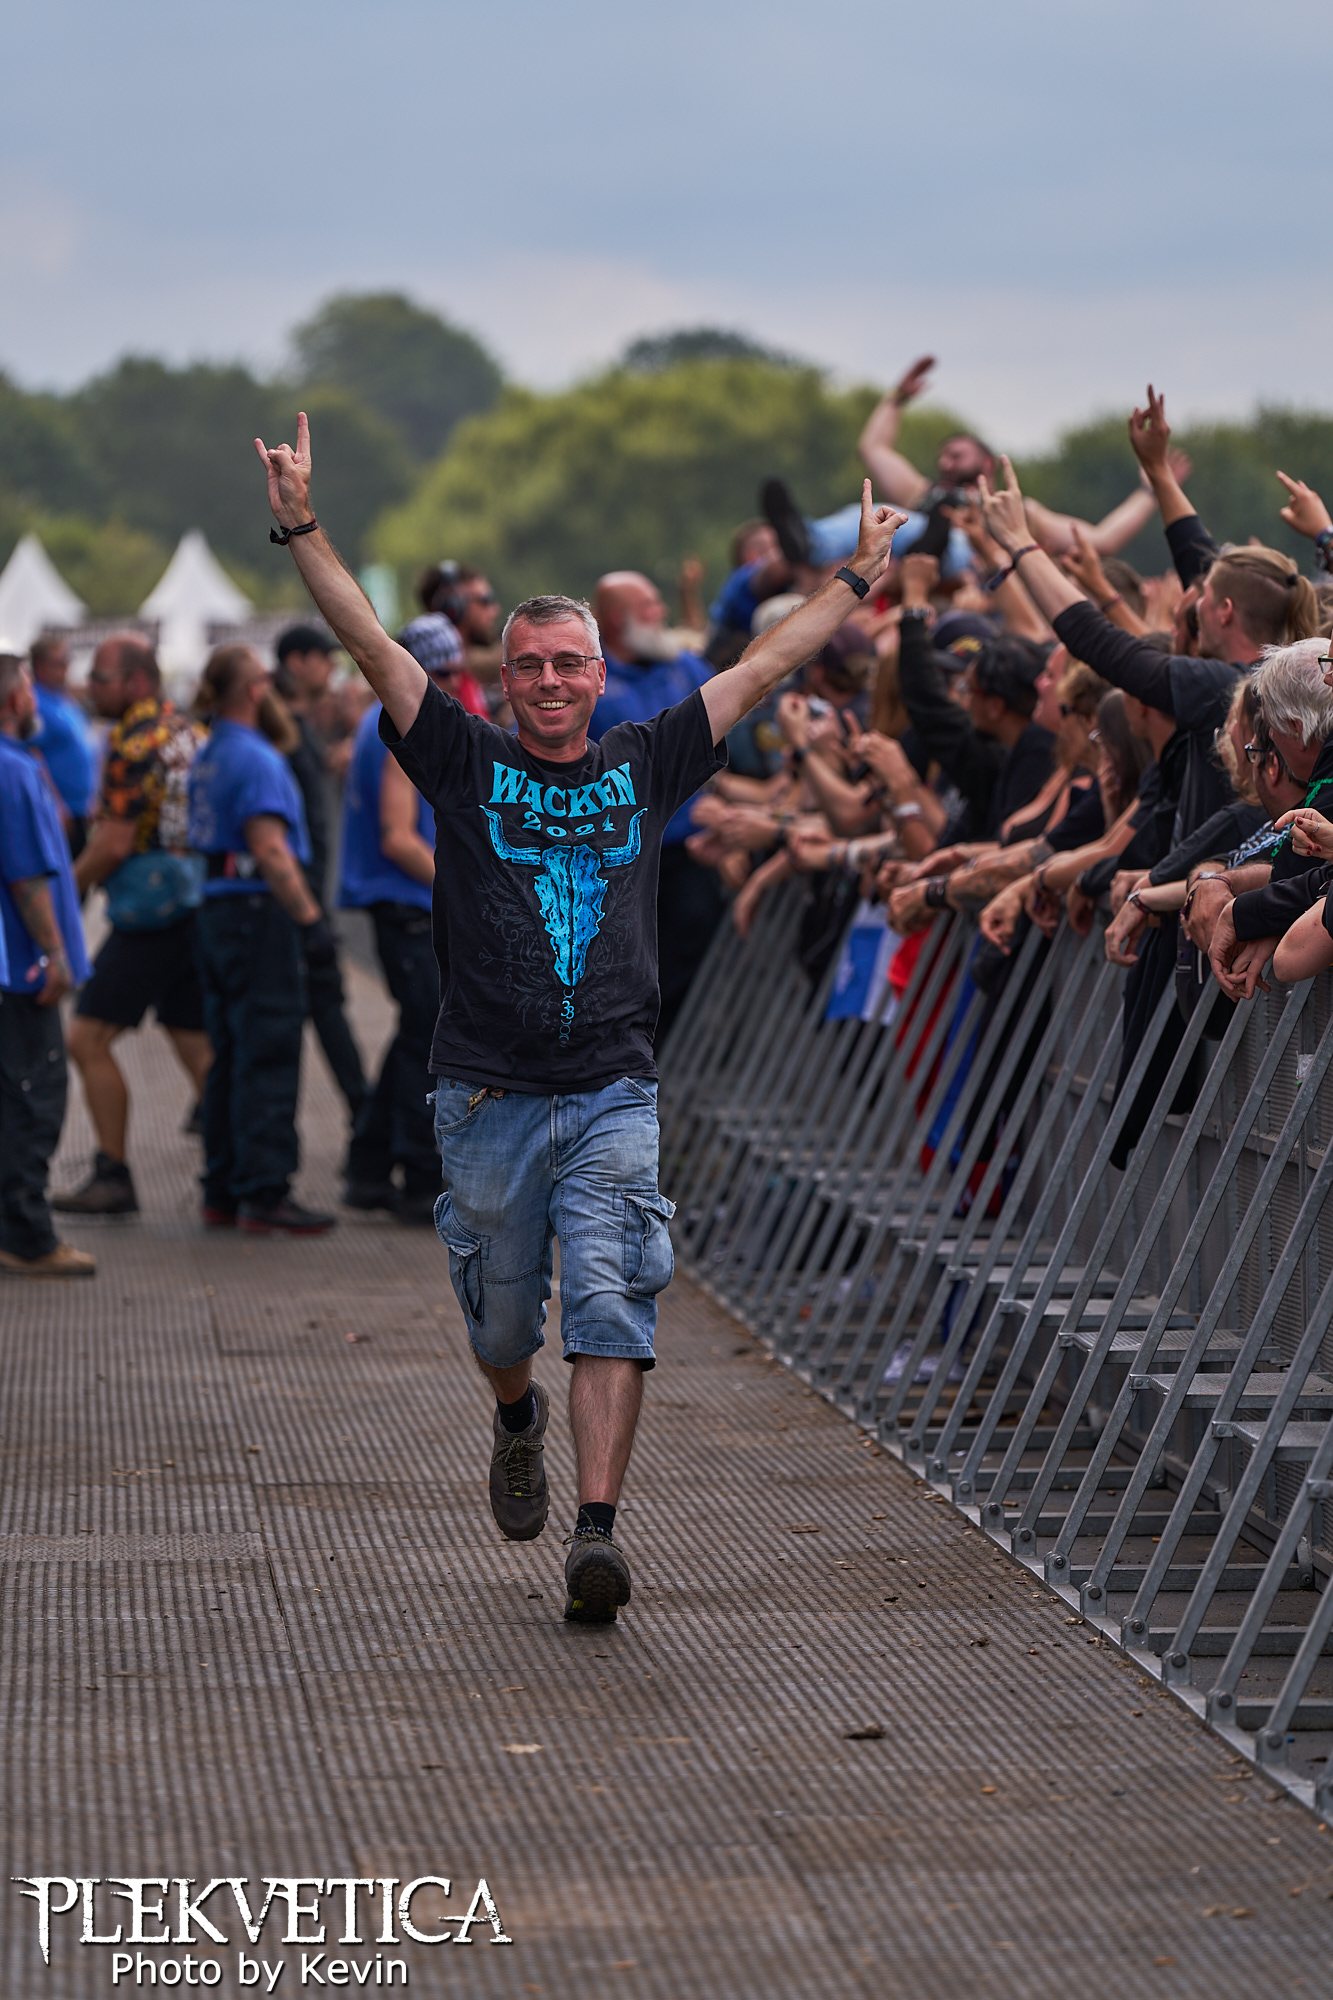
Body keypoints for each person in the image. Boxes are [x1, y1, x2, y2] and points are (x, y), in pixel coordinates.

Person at [254, 408, 905, 1621]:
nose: (551, 681)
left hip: (612, 1082)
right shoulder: (459, 756)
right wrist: (301, 524)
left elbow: (762, 670)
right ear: (503, 680)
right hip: (486, 1090)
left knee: (612, 1297)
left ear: (601, 677)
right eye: (531, 666)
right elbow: (368, 641)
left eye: (570, 664)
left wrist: (858, 574)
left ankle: (596, 1531)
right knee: (504, 1316)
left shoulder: (643, 761)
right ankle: (517, 1418)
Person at [55, 635, 210, 1219]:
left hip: (149, 917)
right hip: (195, 905)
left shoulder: (133, 740)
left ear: (136, 681)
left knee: (86, 1039)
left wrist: (62, 895)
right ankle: (239, 1169)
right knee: (195, 1040)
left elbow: (114, 844)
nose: (90, 688)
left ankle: (112, 1174)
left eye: (100, 678)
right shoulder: (189, 730)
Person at [188, 645, 337, 1236]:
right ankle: (265, 1191)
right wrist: (310, 920)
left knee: (228, 1052)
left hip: (217, 906)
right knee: (268, 1050)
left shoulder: (210, 753)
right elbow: (271, 849)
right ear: (254, 690)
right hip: (258, 912)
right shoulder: (256, 758)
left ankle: (223, 1187)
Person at [589, 570, 723, 1042]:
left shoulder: (684, 667)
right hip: (617, 861)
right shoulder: (588, 680)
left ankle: (656, 1055)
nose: (660, 612)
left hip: (687, 850)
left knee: (690, 950)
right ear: (616, 619)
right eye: (648, 606)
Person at [0, 654, 94, 1279]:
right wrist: (55, 955)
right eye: (30, 687)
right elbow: (26, 875)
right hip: (20, 967)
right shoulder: (13, 769)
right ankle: (27, 1237)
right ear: (15, 699)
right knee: (32, 1100)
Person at [337, 658, 439, 1223]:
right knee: (426, 1043)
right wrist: (468, 886)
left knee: (413, 1037)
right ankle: (418, 1176)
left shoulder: (375, 720)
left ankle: (369, 1166)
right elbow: (398, 837)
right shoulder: (401, 724)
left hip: (396, 905)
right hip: (406, 906)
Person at [274, 623, 369, 1129]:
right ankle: (365, 1118)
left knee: (324, 1011)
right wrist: (308, 912)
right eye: (323, 659)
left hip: (305, 898)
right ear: (297, 662)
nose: (331, 670)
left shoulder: (299, 725)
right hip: (291, 902)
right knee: (291, 1022)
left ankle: (364, 1116)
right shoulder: (277, 729)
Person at [30, 632, 96, 856]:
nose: (66, 669)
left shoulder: (65, 699)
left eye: (67, 662)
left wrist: (91, 797)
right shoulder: (34, 702)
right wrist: (55, 804)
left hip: (80, 808)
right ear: (40, 666)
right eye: (59, 663)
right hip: (60, 812)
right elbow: (32, 754)